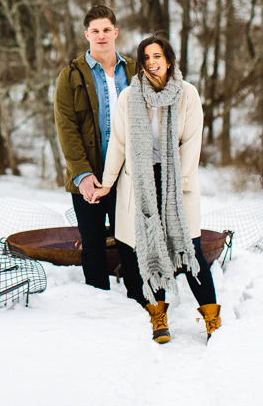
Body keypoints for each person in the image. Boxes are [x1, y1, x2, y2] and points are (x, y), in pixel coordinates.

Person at [93, 35, 221, 343]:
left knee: (189, 251)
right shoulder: (129, 97)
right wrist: (108, 182)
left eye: (157, 56)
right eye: (146, 57)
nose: (152, 62)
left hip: (177, 182)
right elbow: (119, 145)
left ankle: (212, 319)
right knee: (150, 249)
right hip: (140, 181)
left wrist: (184, 181)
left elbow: (192, 142)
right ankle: (158, 317)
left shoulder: (187, 94)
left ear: (169, 59)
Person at [53, 5, 136, 290]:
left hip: (127, 175)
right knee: (92, 245)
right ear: (87, 34)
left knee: (131, 243)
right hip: (90, 176)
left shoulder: (134, 71)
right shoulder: (71, 75)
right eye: (95, 31)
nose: (101, 36)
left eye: (106, 30)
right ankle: (98, 303)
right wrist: (82, 174)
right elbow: (66, 127)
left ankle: (138, 299)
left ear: (115, 32)